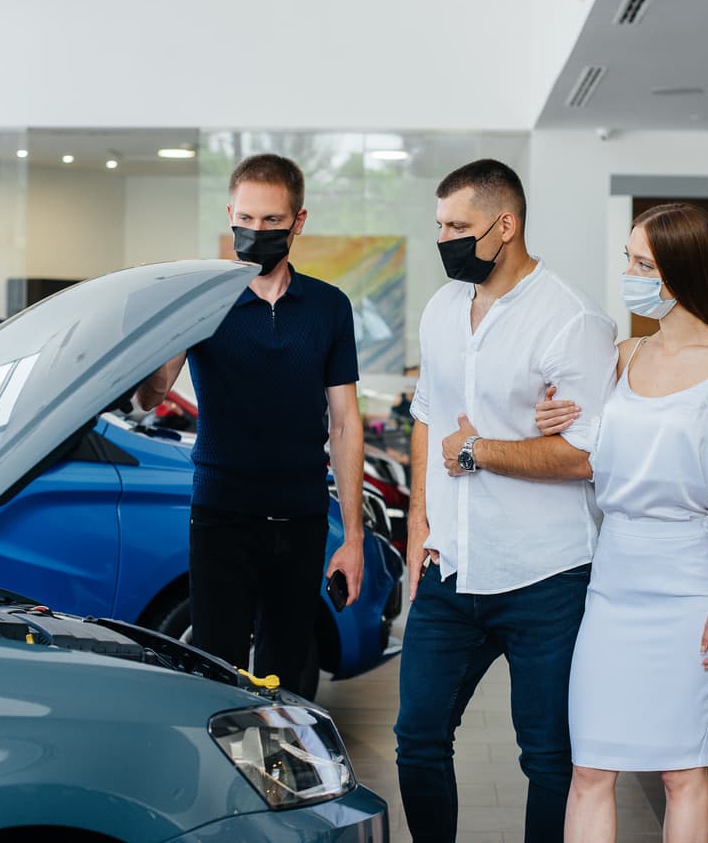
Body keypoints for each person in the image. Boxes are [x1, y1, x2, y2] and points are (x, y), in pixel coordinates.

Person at [534, 203, 708, 843]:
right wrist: (553, 417)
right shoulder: (619, 356)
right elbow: (579, 442)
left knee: (681, 771)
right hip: (612, 582)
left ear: (681, 272)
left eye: (644, 264)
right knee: (589, 768)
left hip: (689, 584)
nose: (630, 274)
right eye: (630, 260)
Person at [395, 159, 618, 842]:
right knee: (418, 739)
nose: (445, 238)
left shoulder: (572, 319)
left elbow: (586, 455)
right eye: (440, 225)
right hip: (451, 567)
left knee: (548, 756)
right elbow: (429, 416)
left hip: (545, 576)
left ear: (506, 224)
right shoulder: (441, 310)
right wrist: (417, 532)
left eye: (459, 226)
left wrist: (481, 450)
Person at [133, 154, 364, 698]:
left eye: (272, 222)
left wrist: (352, 538)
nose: (256, 232)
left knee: (286, 679)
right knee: (218, 674)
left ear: (298, 222)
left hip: (301, 517)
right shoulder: (201, 300)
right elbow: (149, 398)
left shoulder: (329, 307)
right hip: (221, 516)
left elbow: (346, 423)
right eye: (246, 219)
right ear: (231, 214)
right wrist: (164, 331)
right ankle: (222, 783)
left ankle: (281, 780)